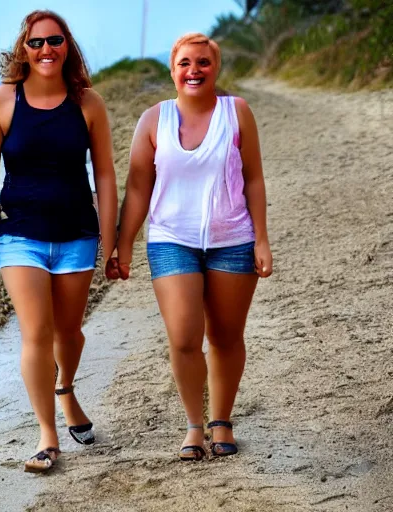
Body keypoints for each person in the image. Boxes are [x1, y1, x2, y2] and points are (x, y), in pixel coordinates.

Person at [0, 10, 118, 473]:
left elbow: (107, 177)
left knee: (69, 332)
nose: (46, 49)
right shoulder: (1, 102)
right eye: (36, 43)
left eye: (54, 41)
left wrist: (110, 243)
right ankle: (48, 436)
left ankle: (66, 388)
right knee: (36, 333)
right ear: (24, 51)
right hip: (19, 237)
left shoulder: (88, 103)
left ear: (66, 46)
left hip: (76, 235)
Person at [116, 33, 272, 461]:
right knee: (184, 336)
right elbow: (137, 189)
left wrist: (261, 238)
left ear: (215, 68)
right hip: (171, 240)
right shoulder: (153, 120)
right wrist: (123, 246)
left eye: (203, 63)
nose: (194, 71)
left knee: (225, 336)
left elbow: (254, 178)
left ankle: (221, 420)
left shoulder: (237, 112)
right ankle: (193, 426)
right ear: (173, 70)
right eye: (185, 63)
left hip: (233, 240)